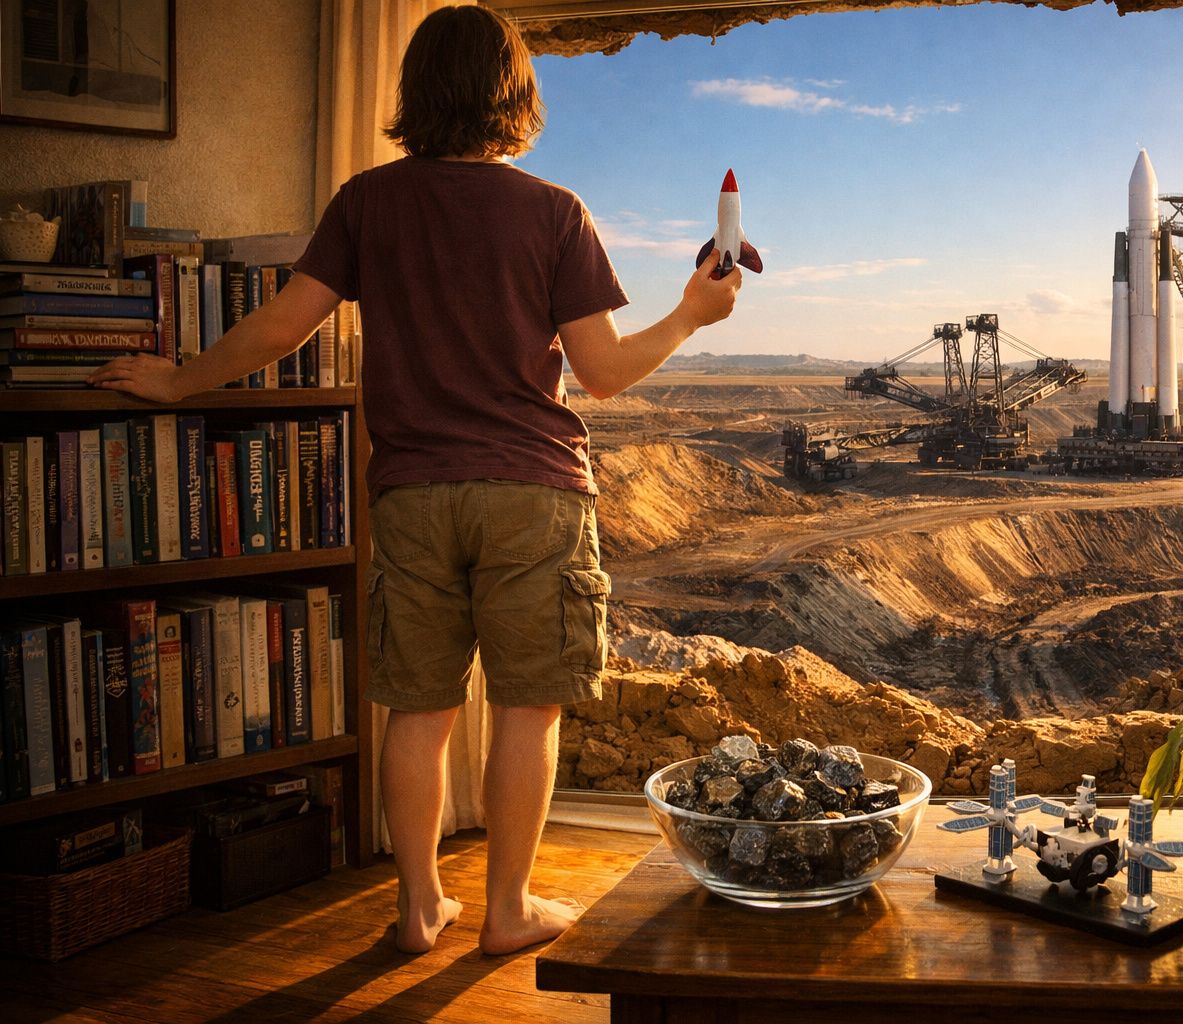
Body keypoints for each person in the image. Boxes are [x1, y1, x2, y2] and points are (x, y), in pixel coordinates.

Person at [90, 6, 741, 956]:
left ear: (416, 91)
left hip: (410, 494)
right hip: (532, 490)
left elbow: (281, 329)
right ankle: (507, 912)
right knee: (528, 705)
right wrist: (691, 312)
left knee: (420, 710)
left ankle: (417, 908)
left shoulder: (367, 201)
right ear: (517, 93)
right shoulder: (555, 212)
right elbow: (601, 372)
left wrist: (175, 379)